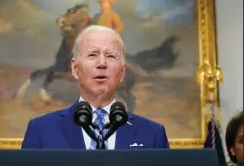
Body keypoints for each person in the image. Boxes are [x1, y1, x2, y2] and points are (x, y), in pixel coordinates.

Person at [21, 25, 170, 149]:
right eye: (92, 55)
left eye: (111, 56)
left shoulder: (153, 134)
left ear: (122, 72)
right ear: (74, 69)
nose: (102, 63)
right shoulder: (40, 131)